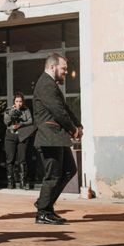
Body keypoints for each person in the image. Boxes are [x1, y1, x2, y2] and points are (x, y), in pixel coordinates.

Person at [33, 53, 83, 225]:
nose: (66, 72)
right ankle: (43, 212)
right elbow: (58, 112)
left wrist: (78, 125)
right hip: (49, 137)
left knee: (69, 170)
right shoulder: (46, 84)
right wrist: (73, 130)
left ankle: (45, 205)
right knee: (53, 175)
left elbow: (64, 108)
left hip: (56, 138)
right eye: (64, 68)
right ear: (52, 67)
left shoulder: (51, 85)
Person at [3, 92, 35, 189]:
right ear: (14, 102)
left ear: (23, 102)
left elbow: (30, 120)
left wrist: (21, 124)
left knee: (22, 159)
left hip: (22, 136)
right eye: (17, 101)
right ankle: (10, 182)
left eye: (20, 101)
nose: (19, 103)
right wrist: (13, 113)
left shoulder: (26, 110)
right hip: (10, 136)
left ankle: (22, 182)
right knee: (10, 159)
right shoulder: (9, 109)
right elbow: (6, 121)